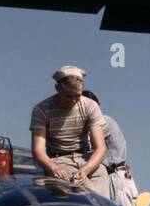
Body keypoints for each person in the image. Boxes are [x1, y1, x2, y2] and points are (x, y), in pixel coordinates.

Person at [30, 66, 108, 196]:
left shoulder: (90, 106)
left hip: (85, 158)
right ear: (57, 88)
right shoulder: (41, 110)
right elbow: (38, 150)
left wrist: (85, 170)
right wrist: (53, 168)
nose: (72, 101)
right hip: (59, 160)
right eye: (68, 96)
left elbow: (100, 148)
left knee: (104, 191)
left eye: (77, 96)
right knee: (89, 194)